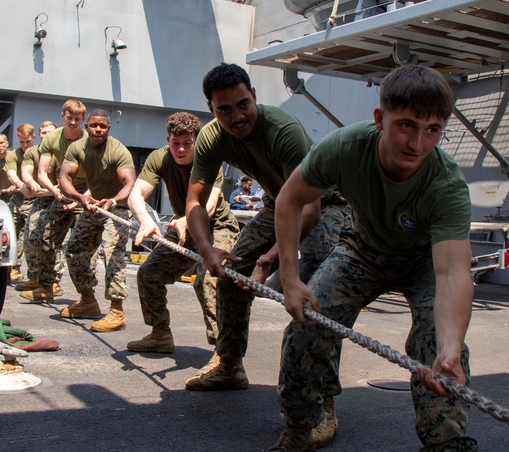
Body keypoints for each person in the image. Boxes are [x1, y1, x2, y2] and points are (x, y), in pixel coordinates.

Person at [266, 64, 475, 452]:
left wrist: (448, 346)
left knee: (441, 357)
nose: (418, 144)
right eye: (406, 125)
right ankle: (302, 428)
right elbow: (289, 200)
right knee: (307, 323)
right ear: (381, 118)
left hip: (424, 261)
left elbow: (452, 272)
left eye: (432, 131)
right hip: (363, 247)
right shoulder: (345, 147)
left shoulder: (445, 185)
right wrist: (293, 280)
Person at [183, 63, 348, 390]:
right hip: (277, 202)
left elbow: (309, 208)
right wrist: (207, 249)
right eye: (224, 109)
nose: (237, 116)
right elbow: (194, 203)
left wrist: (271, 259)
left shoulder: (282, 130)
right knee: (230, 276)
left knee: (315, 292)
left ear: (254, 96)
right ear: (211, 109)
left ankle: (320, 400)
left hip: (326, 204)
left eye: (243, 104)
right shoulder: (212, 137)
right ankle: (229, 366)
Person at [126, 111, 239, 355]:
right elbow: (135, 195)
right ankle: (160, 335)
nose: (180, 150)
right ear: (168, 140)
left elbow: (208, 205)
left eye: (186, 144)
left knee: (209, 279)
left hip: (216, 225)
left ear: (195, 141)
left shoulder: (207, 159)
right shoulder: (159, 158)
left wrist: (187, 218)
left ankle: (224, 355)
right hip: (182, 229)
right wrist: (145, 221)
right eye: (175, 143)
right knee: (149, 274)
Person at [57, 109, 136, 332]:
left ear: (108, 129)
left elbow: (129, 183)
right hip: (92, 205)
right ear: (87, 127)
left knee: (112, 252)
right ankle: (88, 300)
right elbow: (65, 177)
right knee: (74, 249)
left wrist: (112, 200)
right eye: (93, 125)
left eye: (102, 126)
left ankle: (117, 311)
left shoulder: (118, 150)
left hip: (117, 207)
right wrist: (80, 196)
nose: (98, 130)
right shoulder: (77, 148)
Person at [19, 100, 88, 304]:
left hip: (87, 190)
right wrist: (54, 189)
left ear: (83, 119)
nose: (73, 122)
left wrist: (82, 198)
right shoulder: (52, 138)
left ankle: (87, 298)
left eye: (77, 119)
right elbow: (41, 172)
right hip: (62, 188)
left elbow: (98, 175)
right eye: (70, 118)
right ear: (62, 117)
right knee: (45, 236)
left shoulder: (89, 140)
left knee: (84, 244)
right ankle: (46, 287)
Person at [14, 120, 59, 290]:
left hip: (60, 199)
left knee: (54, 240)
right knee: (30, 237)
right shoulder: (33, 152)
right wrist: (30, 183)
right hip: (41, 198)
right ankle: (35, 276)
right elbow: (26, 172)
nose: (47, 136)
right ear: (39, 135)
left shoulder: (64, 150)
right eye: (44, 133)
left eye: (51, 132)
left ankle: (53, 281)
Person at [4, 124, 36, 281]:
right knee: (9, 232)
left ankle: (31, 275)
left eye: (28, 141)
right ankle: (11, 268)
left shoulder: (40, 153)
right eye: (22, 142)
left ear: (33, 138)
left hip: (36, 198)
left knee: (31, 236)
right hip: (18, 198)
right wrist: (21, 186)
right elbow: (11, 174)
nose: (25, 145)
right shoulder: (13, 155)